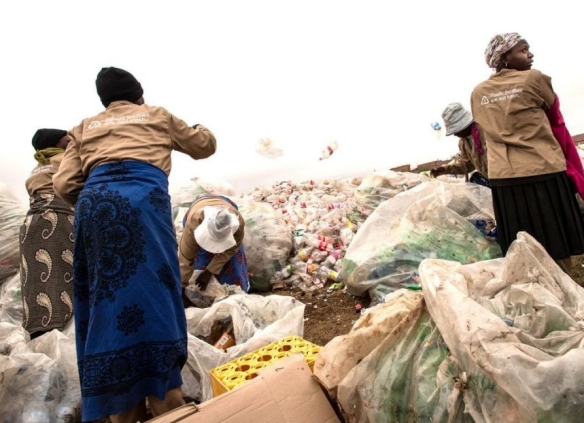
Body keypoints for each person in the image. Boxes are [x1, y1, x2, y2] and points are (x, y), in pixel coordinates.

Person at [53, 67, 217, 423]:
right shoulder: (156, 115)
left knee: (106, 303)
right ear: (138, 94)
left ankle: (120, 408)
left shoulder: (84, 127)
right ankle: (165, 400)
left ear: (104, 101)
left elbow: (64, 184)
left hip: (96, 208)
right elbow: (204, 145)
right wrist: (201, 127)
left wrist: (104, 197)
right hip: (144, 205)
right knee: (154, 294)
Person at [470, 33, 584, 274]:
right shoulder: (534, 79)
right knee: (555, 239)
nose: (530, 54)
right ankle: (563, 286)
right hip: (543, 171)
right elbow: (556, 122)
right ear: (504, 58)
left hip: (505, 180)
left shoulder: (478, 93)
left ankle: (535, 287)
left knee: (523, 243)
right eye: (523, 50)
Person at [20, 129, 75, 339]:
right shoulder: (66, 159)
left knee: (36, 279)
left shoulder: (37, 167)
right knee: (64, 272)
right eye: (66, 138)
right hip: (56, 220)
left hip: (32, 223)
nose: (71, 140)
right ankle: (63, 329)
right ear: (56, 141)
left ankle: (40, 331)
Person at [178, 194, 249, 306]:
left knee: (233, 263)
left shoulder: (238, 224)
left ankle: (237, 298)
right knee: (201, 261)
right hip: (199, 206)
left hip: (226, 204)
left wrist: (210, 270)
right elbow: (186, 257)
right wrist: (181, 289)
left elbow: (232, 249)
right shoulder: (194, 222)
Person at [430, 103, 490, 187]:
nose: (455, 134)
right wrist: (445, 169)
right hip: (491, 179)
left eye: (456, 130)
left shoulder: (487, 131)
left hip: (505, 178)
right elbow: (467, 165)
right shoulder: (463, 143)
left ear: (464, 125)